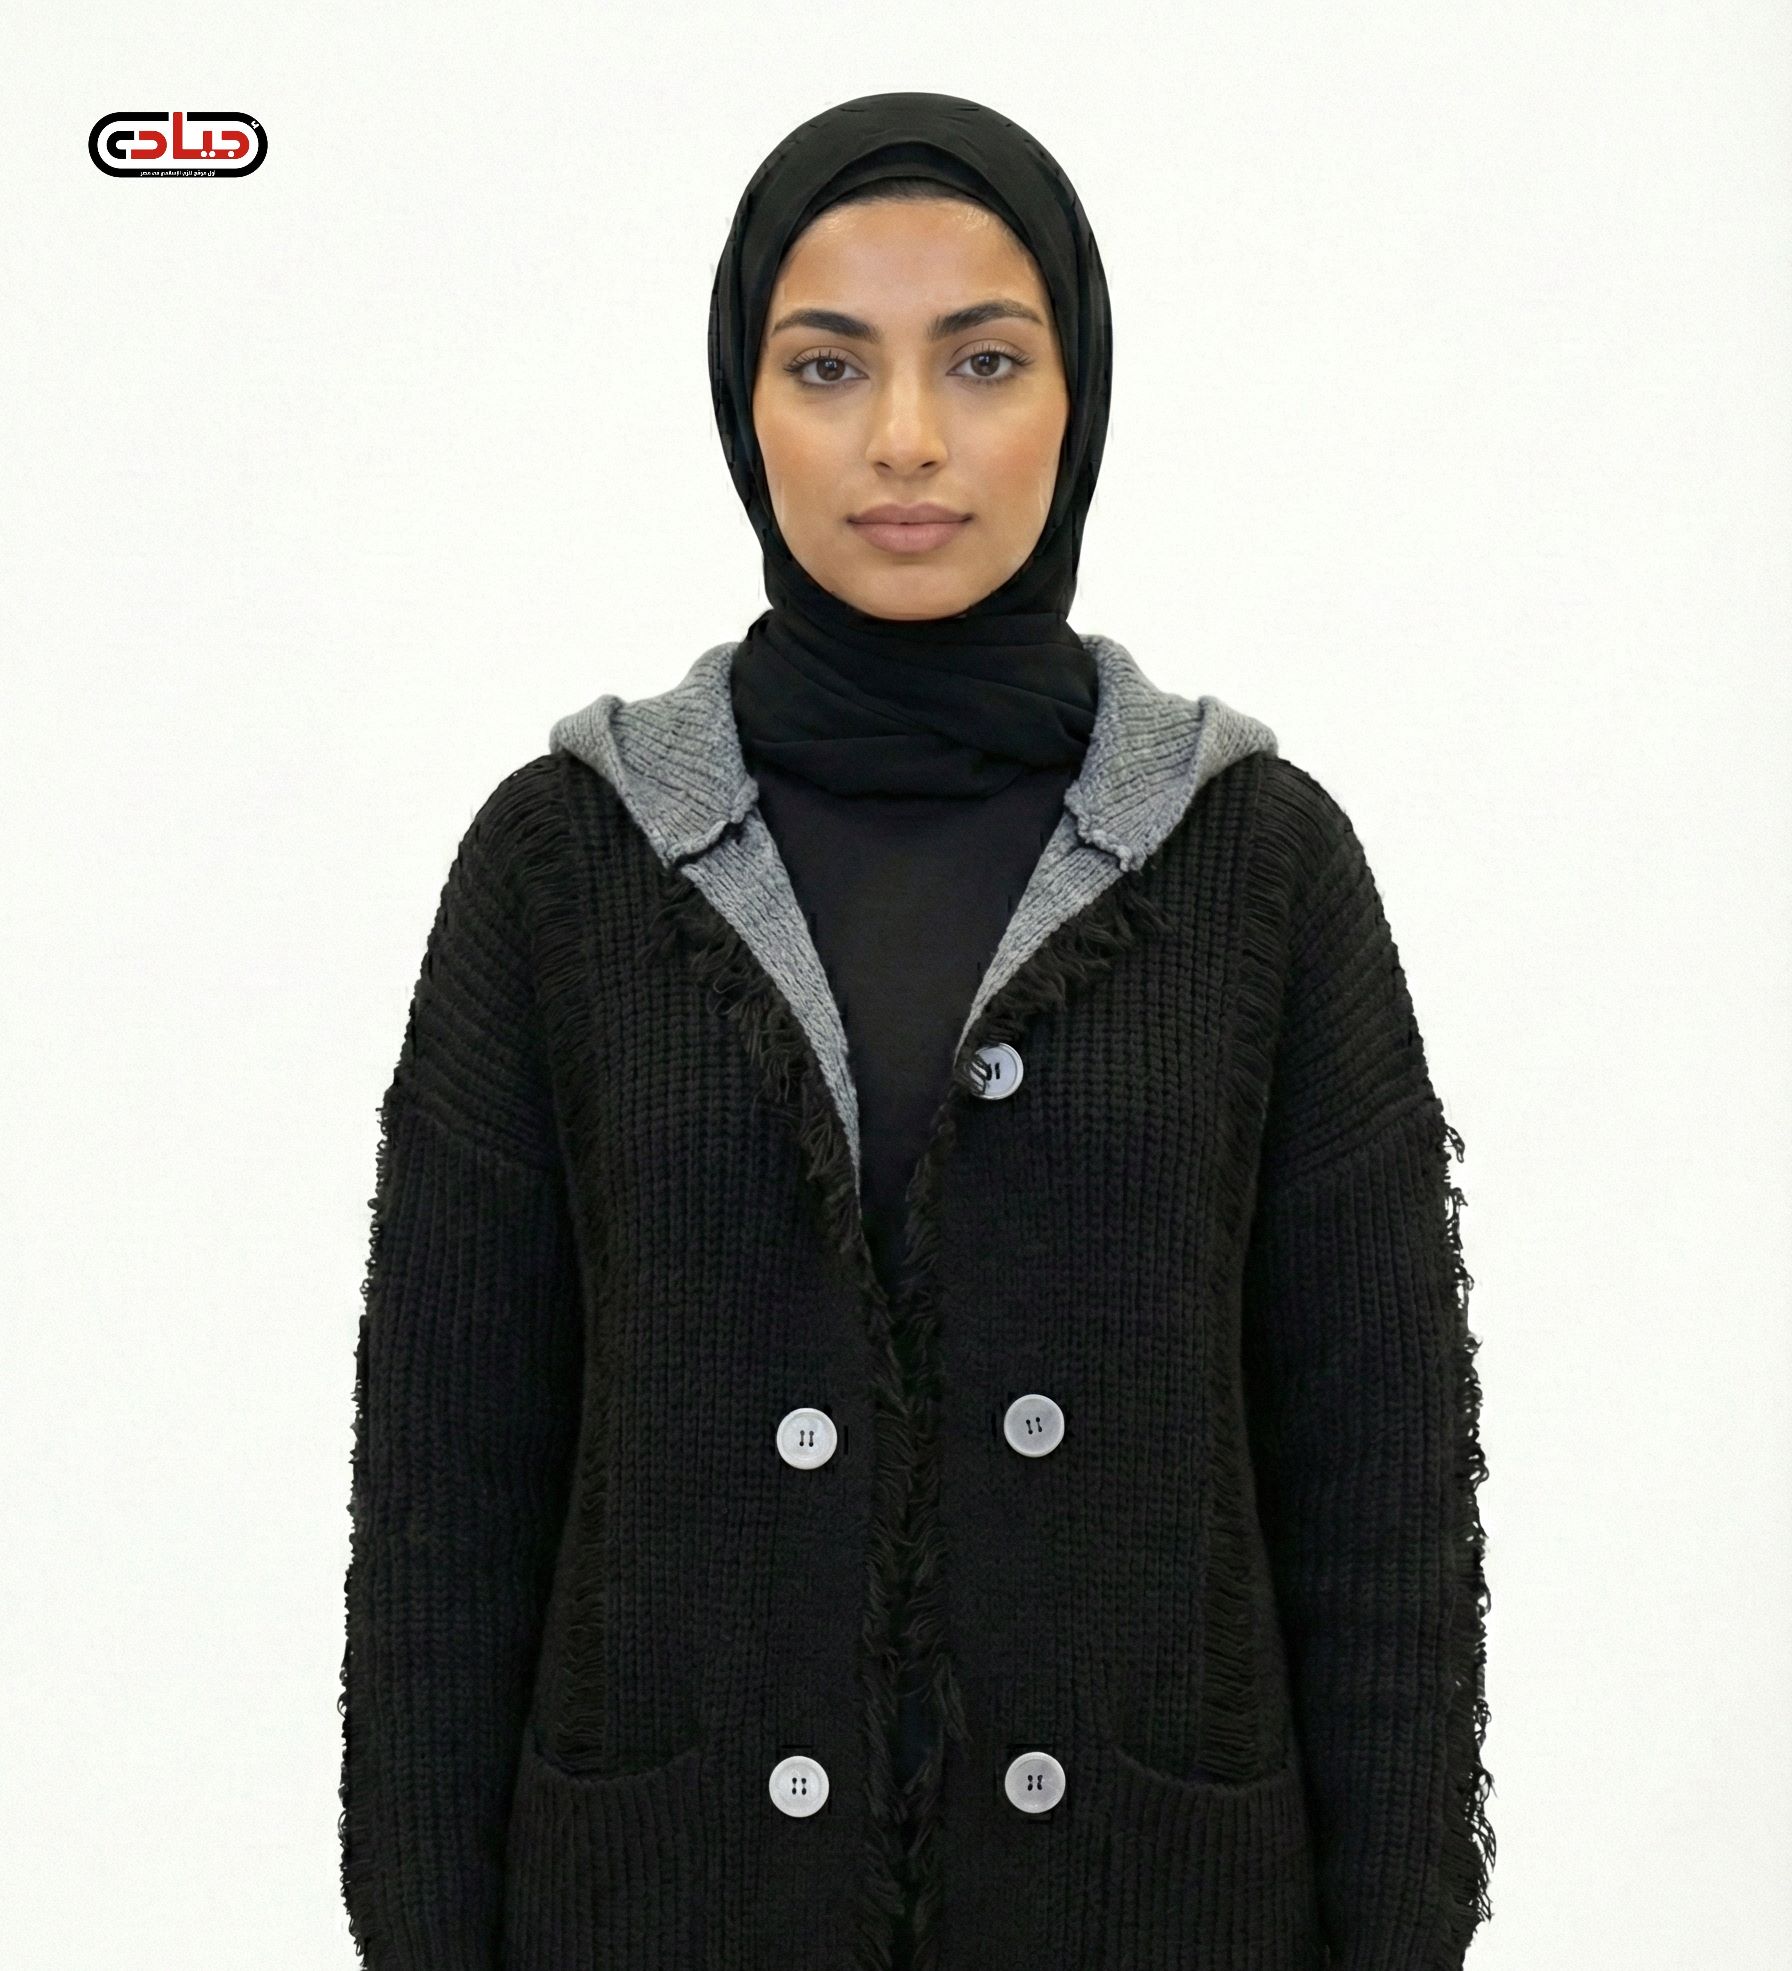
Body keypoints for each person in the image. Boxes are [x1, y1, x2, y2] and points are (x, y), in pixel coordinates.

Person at [339, 90, 1494, 1971]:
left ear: (1077, 398)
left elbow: (1385, 1507)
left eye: (982, 360)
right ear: (745, 407)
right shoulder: (564, 862)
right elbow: (440, 1514)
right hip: (658, 1912)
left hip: (1160, 1914)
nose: (905, 438)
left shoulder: (1256, 862)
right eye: (828, 365)